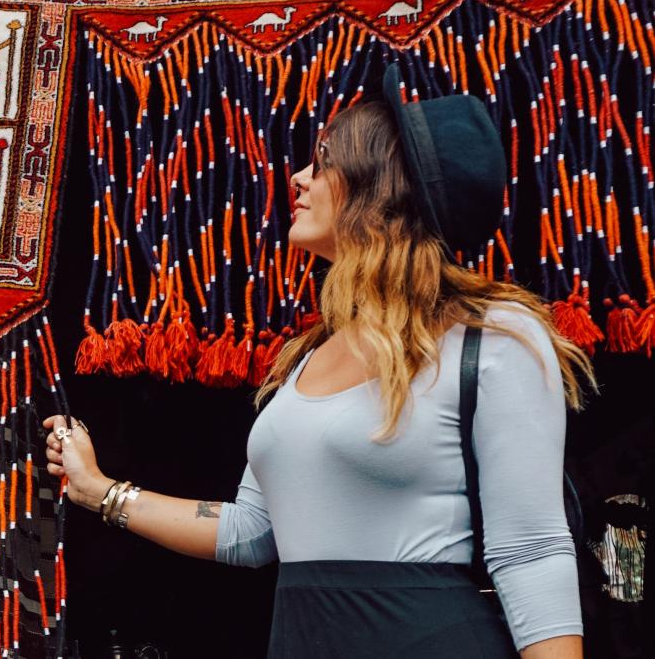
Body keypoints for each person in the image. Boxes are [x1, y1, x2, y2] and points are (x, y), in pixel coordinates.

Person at [45, 63, 596, 659]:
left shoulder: (493, 338)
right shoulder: (304, 357)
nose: (301, 177)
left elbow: (532, 548)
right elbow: (248, 533)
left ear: (382, 191)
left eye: (326, 161)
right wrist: (97, 489)